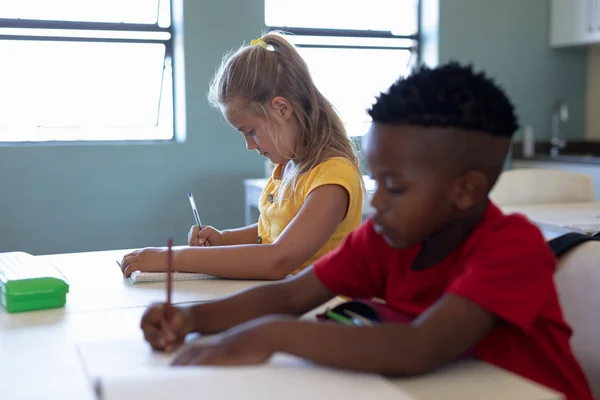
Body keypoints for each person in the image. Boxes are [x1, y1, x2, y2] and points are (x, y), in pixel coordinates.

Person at [139, 63, 593, 400]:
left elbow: (422, 347)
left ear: (466, 189)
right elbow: (291, 296)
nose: (375, 203)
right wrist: (192, 320)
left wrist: (273, 335)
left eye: (394, 188)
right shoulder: (386, 239)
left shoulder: (511, 248)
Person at [120, 33, 363, 280]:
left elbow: (278, 259)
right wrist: (225, 238)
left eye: (251, 132)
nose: (248, 145)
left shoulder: (333, 178)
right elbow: (272, 231)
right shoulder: (288, 166)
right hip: (289, 297)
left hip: (326, 308)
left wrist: (173, 258)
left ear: (282, 109)